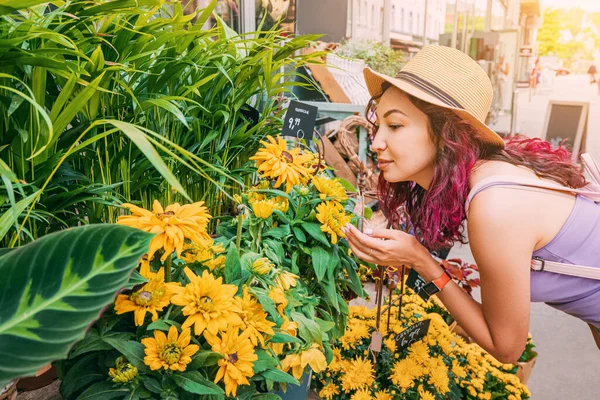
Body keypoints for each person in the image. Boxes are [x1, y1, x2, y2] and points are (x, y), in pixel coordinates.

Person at [342, 45, 600, 363]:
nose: (377, 141)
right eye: (378, 124)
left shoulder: (494, 205)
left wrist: (422, 261)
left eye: (394, 126)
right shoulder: (491, 174)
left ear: (446, 134)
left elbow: (506, 348)